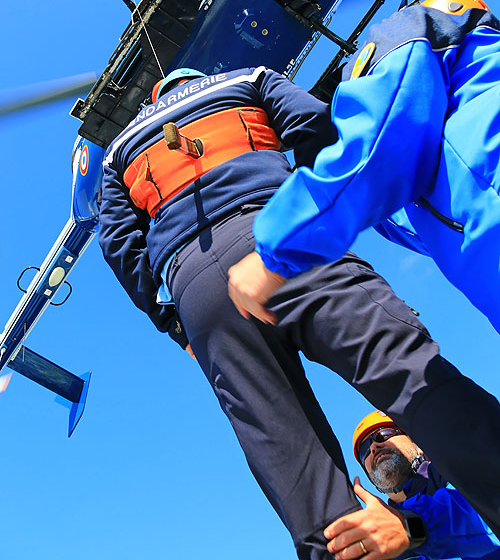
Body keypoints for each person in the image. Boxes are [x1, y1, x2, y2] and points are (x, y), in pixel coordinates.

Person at [98, 65, 500, 558]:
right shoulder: (249, 77)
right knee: (407, 374)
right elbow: (315, 125)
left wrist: (174, 324)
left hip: (195, 283)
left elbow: (118, 243)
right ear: (196, 78)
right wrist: (310, 217)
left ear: (157, 94)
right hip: (278, 233)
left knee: (288, 458)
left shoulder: (119, 149)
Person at [227, 0, 500, 335]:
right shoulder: (427, 190)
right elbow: (408, 208)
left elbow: (385, 135)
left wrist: (279, 251)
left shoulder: (416, 26)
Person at [323, 411, 500, 560]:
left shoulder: (456, 470)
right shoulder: (379, 539)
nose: (375, 447)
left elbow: (488, 506)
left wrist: (412, 527)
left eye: (383, 434)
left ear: (418, 444)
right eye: (365, 452)